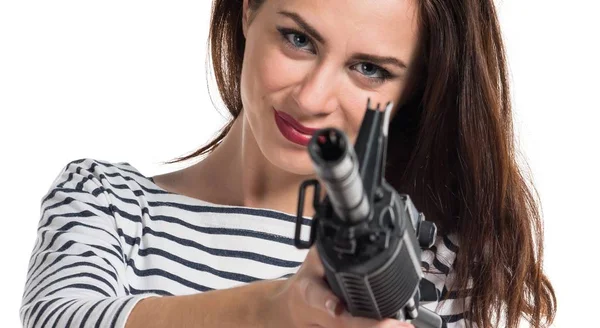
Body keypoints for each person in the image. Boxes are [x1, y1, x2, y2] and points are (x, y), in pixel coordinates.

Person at [19, 0, 557, 327]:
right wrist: (272, 313)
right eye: (298, 39)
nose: (314, 96)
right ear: (251, 8)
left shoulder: (446, 266)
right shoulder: (107, 202)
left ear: (416, 87)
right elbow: (59, 318)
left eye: (368, 68)